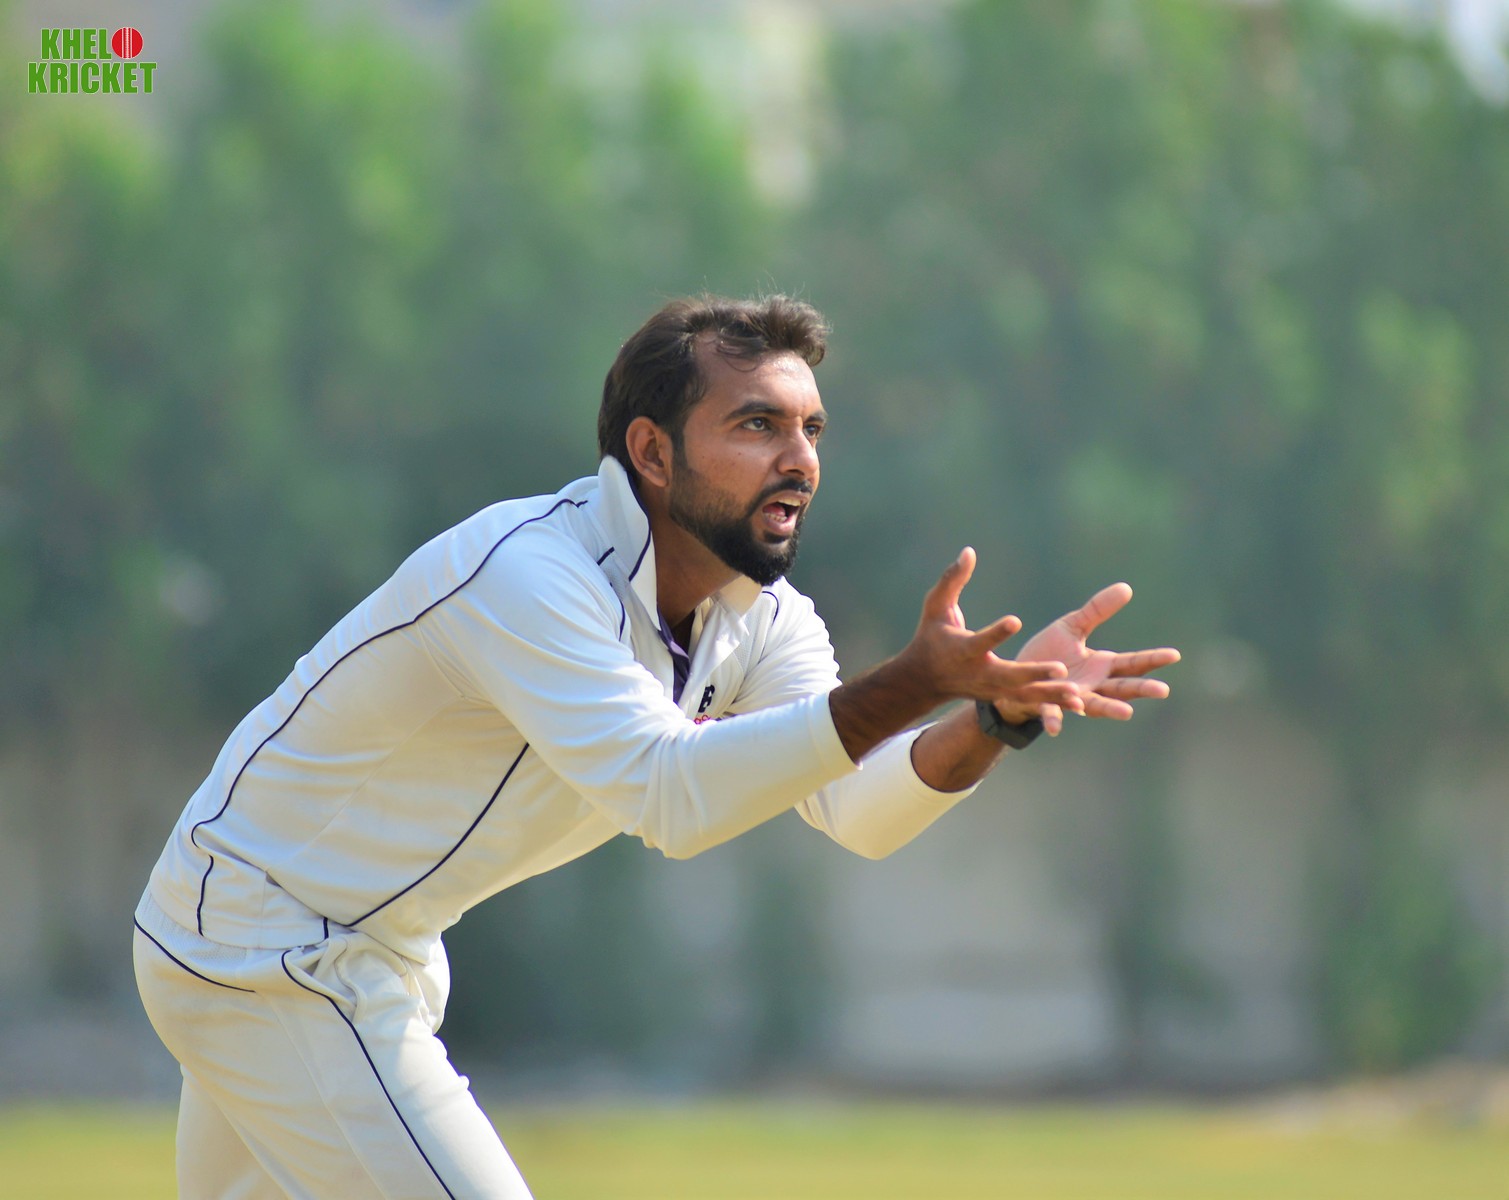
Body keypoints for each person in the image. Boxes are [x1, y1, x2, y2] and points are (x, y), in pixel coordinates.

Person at [133, 293, 1179, 1199]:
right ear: (651, 452)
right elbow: (668, 797)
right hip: (271, 941)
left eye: (812, 429)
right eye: (757, 424)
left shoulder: (762, 619)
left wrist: (992, 717)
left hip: (362, 946)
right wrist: (914, 679)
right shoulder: (528, 574)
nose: (800, 460)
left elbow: (857, 807)